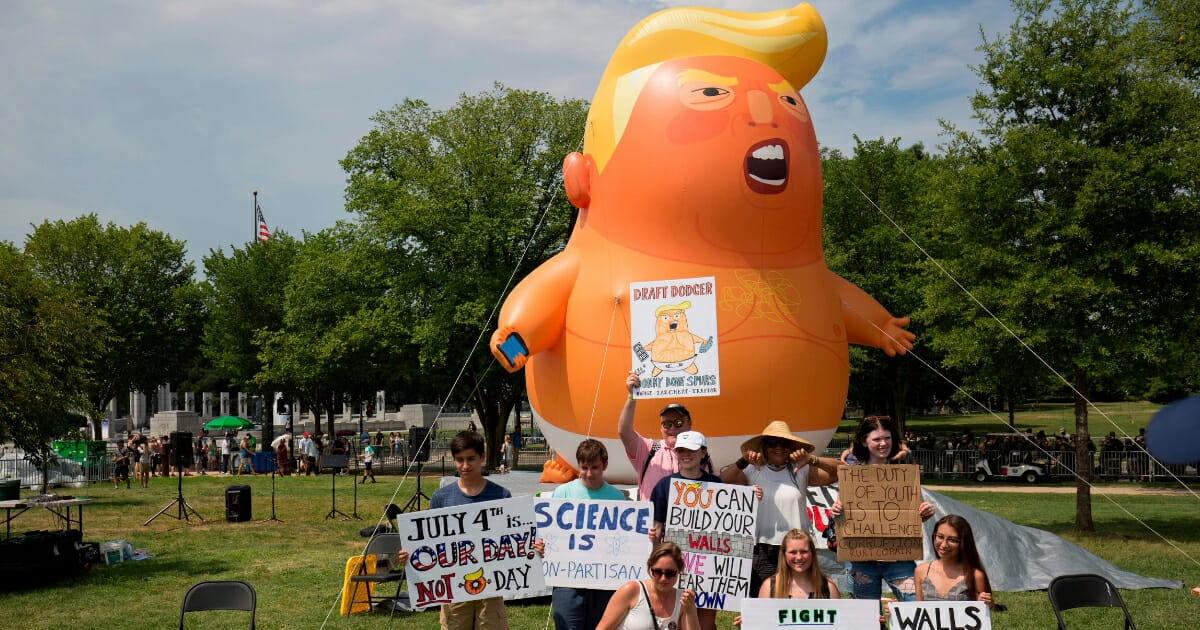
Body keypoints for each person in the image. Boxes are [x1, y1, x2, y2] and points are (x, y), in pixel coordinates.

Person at [396, 431, 516, 629]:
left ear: (482, 457)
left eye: (471, 459)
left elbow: (513, 539)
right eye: (459, 460)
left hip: (491, 588)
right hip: (453, 588)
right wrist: (410, 555)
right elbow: (427, 543)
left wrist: (530, 548)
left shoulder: (501, 495)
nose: (465, 465)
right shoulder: (441, 498)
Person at [722, 420, 839, 597]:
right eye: (772, 443)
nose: (778, 447)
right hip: (763, 548)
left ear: (790, 447)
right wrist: (743, 461)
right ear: (764, 447)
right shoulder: (753, 470)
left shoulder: (802, 470)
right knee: (764, 600)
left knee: (798, 596)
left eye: (783, 443)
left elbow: (842, 471)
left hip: (797, 548)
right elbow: (723, 481)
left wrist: (812, 459)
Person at [831, 416, 935, 602]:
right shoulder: (852, 476)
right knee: (865, 619)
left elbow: (910, 517)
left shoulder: (904, 475)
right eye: (876, 439)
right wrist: (837, 513)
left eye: (887, 438)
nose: (883, 443)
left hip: (899, 557)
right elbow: (841, 521)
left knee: (914, 609)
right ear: (864, 441)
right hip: (861, 560)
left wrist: (924, 514)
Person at [551, 439, 628, 630]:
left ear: (605, 465)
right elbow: (550, 534)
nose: (589, 473)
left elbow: (625, 541)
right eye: (584, 467)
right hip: (567, 579)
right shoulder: (562, 493)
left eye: (595, 467)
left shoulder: (616, 497)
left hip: (604, 580)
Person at [647, 431, 719, 630]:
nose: (686, 455)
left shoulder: (717, 485)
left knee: (705, 624)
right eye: (681, 450)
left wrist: (753, 495)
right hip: (673, 568)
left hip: (709, 569)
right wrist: (653, 540)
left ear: (703, 453)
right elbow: (657, 527)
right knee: (674, 621)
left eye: (692, 450)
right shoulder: (663, 486)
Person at [619, 371, 713, 501]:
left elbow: (717, 490)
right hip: (653, 520)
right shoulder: (649, 450)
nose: (673, 428)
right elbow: (624, 432)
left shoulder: (700, 454)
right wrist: (631, 396)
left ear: (689, 424)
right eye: (666, 424)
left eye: (678, 423)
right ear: (661, 427)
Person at [596, 542, 699, 630]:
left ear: (679, 571)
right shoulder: (631, 590)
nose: (663, 578)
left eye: (669, 573)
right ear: (650, 568)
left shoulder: (683, 600)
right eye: (657, 572)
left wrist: (690, 612)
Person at [914, 515, 994, 608]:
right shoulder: (921, 571)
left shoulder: (975, 575)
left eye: (952, 540)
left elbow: (983, 613)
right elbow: (917, 611)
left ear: (964, 543)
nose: (944, 545)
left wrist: (987, 603)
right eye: (940, 537)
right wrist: (895, 607)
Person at [759, 529, 839, 599]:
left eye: (804, 552)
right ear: (784, 554)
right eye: (793, 552)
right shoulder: (769, 587)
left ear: (812, 553)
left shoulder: (828, 587)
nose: (799, 557)